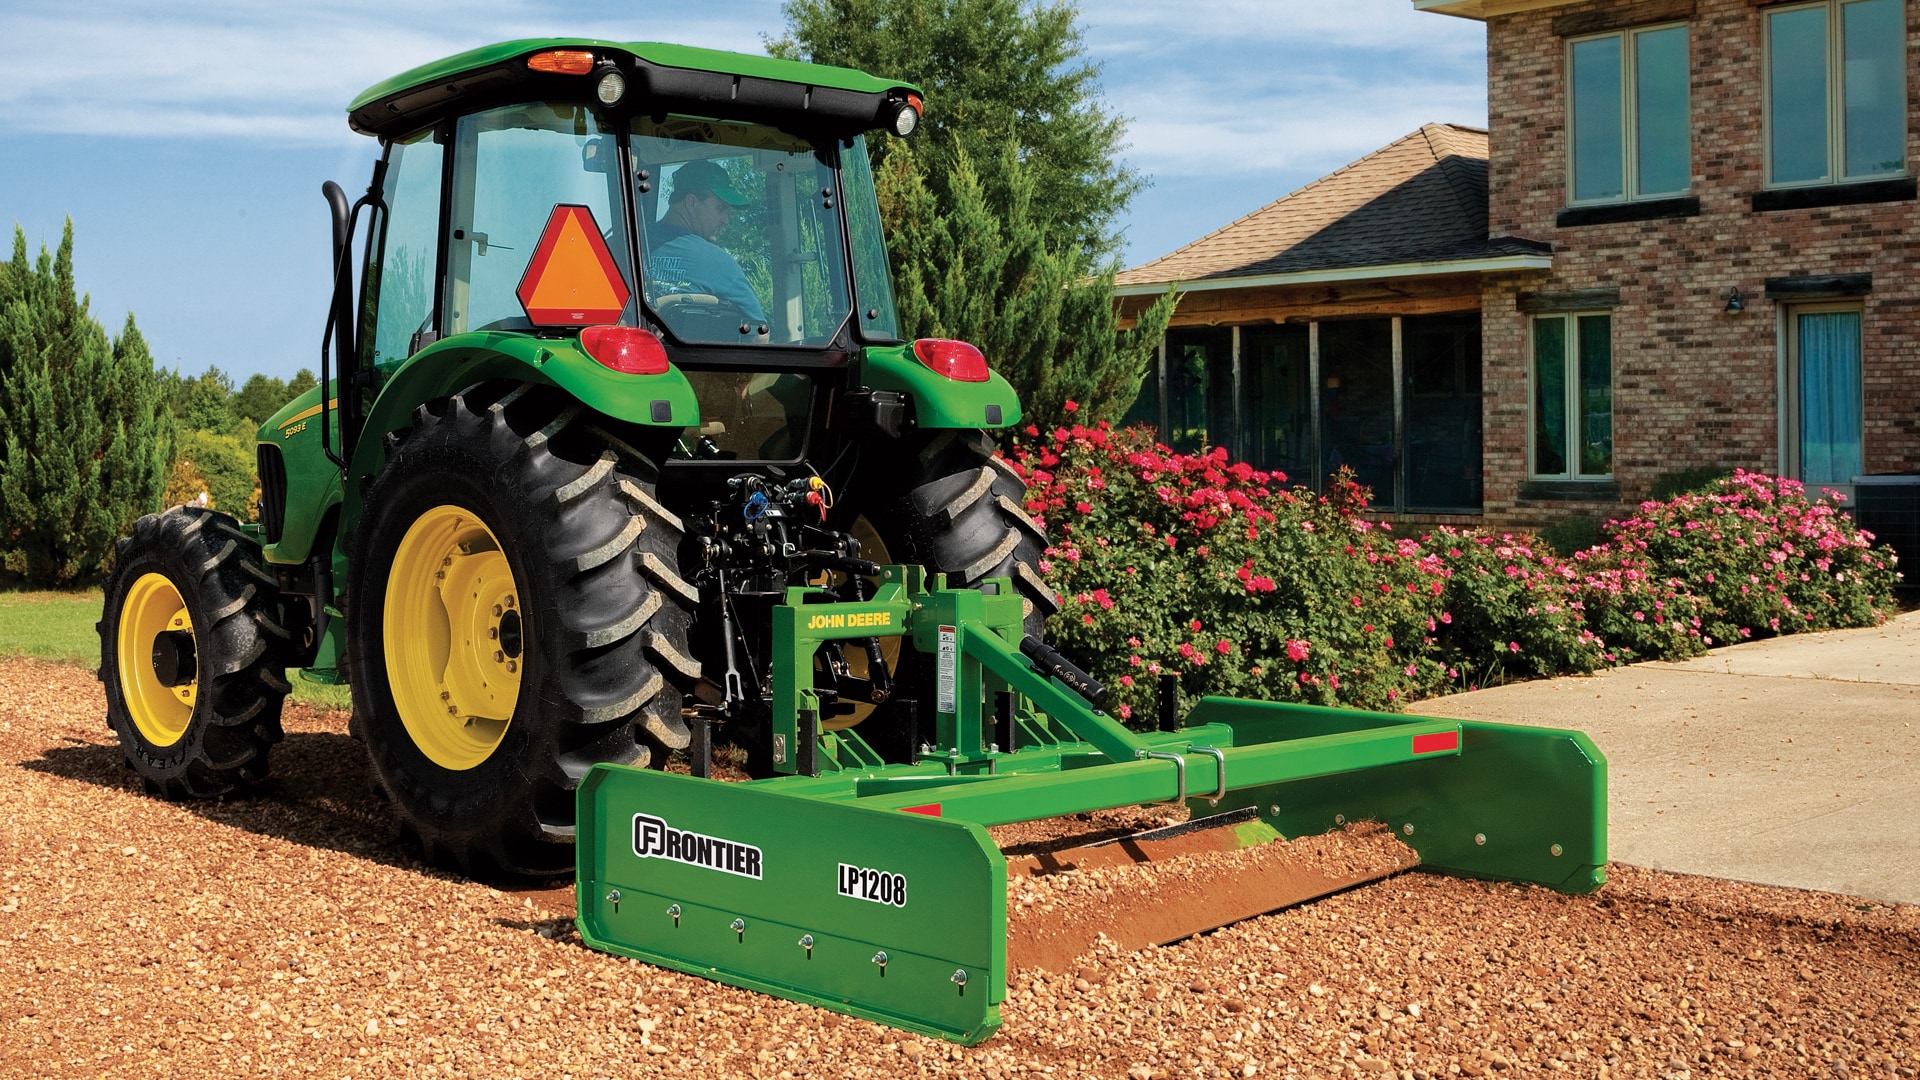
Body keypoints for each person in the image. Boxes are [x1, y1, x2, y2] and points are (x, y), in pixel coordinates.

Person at [646, 158, 767, 325]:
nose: (726, 220)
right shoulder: (719, 264)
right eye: (720, 208)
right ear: (692, 202)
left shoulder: (617, 248)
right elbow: (759, 332)